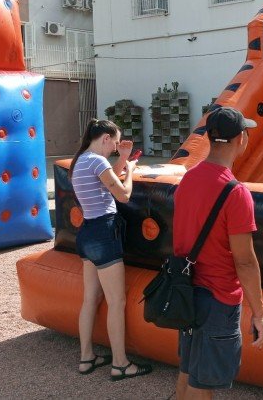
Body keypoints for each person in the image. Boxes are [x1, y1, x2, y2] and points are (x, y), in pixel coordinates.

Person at [173, 107, 263, 399]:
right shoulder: (236, 193)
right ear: (241, 138)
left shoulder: (188, 178)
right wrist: (259, 313)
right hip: (218, 298)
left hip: (187, 292)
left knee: (188, 370)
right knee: (204, 384)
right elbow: (245, 261)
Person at [69, 119, 152, 380]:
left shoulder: (81, 159)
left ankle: (86, 357)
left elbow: (106, 180)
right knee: (117, 301)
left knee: (90, 299)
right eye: (115, 144)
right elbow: (123, 195)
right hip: (104, 234)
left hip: (86, 234)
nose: (115, 149)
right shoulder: (98, 160)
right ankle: (120, 363)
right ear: (105, 138)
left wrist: (124, 160)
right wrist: (132, 174)